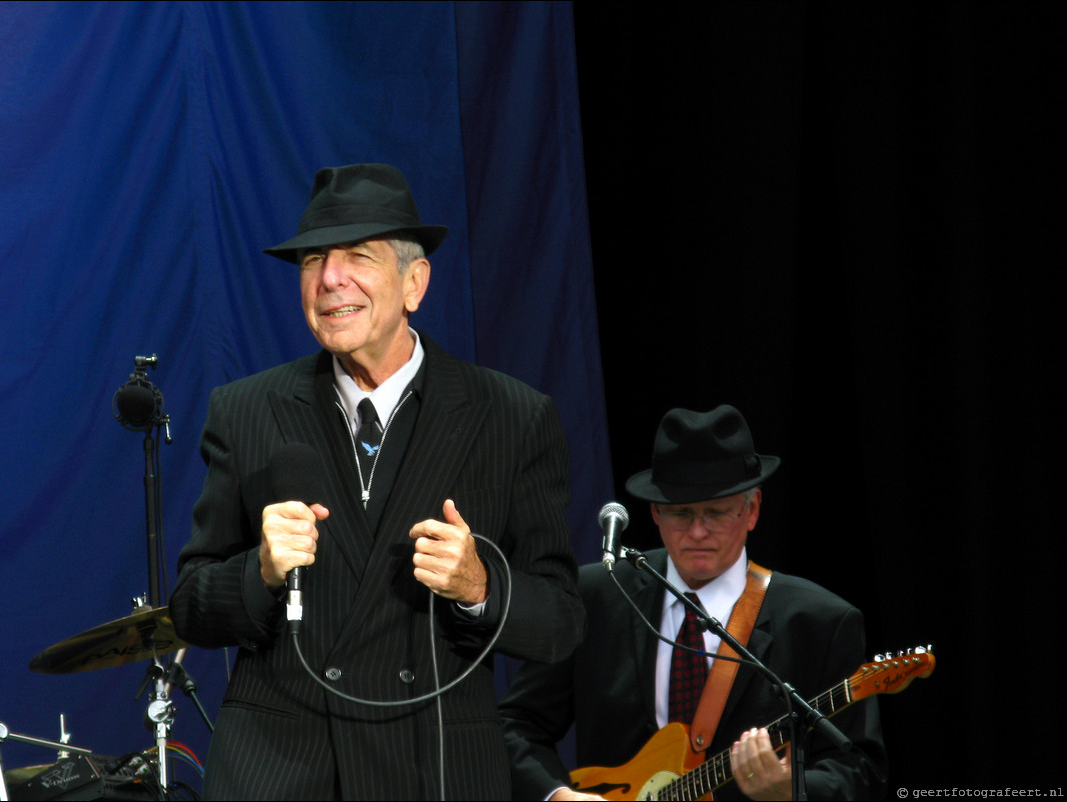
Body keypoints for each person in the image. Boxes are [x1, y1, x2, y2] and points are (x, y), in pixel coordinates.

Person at [168, 163, 585, 800]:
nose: (330, 279)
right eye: (312, 261)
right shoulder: (246, 411)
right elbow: (191, 607)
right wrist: (260, 571)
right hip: (281, 772)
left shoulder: (512, 416)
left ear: (414, 283)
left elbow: (559, 623)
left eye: (357, 255)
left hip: (434, 767)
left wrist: (479, 585)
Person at [499, 405, 887, 800]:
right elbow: (515, 724)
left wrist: (791, 791)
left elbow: (861, 771)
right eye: (680, 513)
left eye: (716, 513)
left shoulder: (819, 622)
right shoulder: (596, 596)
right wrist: (556, 795)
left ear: (751, 510)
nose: (698, 531)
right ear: (654, 513)